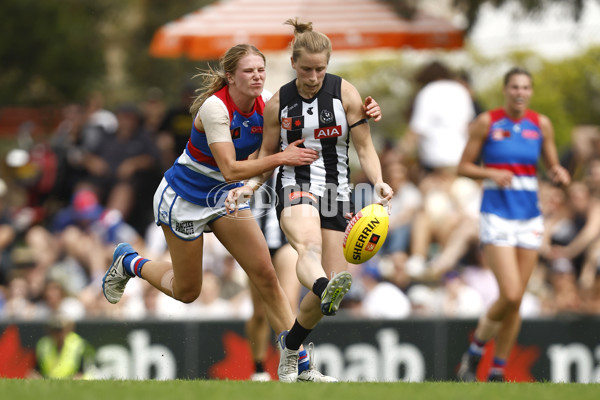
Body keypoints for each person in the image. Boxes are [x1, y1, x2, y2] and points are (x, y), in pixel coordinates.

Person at [101, 43, 355, 383]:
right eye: (249, 71)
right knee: (187, 291)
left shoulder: (268, 102)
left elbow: (318, 121)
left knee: (266, 274)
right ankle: (130, 262)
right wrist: (281, 158)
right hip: (184, 199)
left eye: (261, 70)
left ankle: (298, 363)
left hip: (225, 198)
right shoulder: (214, 108)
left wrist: (363, 113)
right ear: (231, 76)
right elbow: (232, 168)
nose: (257, 76)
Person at [226, 18, 394, 376]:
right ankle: (323, 286)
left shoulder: (345, 93)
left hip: (337, 191)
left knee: (330, 293)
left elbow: (364, 147)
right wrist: (250, 186)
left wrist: (378, 182)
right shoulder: (278, 104)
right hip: (294, 185)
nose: (314, 76)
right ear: (292, 64)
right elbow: (266, 157)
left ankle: (290, 347)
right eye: (306, 69)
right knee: (309, 250)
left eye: (320, 69)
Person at [456, 67, 570, 382]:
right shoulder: (487, 122)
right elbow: (463, 167)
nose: (520, 92)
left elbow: (552, 164)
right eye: (515, 87)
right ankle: (476, 349)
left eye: (525, 87)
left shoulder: (540, 124)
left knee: (517, 299)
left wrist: (560, 173)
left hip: (529, 218)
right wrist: (491, 173)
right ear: (506, 90)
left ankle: (497, 371)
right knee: (509, 293)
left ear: (529, 92)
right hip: (496, 215)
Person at [30, 314, 96, 379]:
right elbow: (36, 371)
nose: (57, 334)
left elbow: (84, 373)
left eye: (60, 329)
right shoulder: (43, 345)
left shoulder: (79, 345)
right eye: (54, 330)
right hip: (49, 385)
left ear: (69, 329)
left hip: (73, 384)